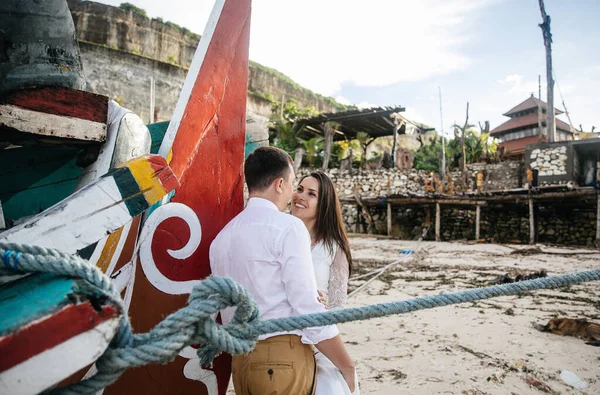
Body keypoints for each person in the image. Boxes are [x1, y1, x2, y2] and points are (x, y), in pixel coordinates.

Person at [210, 147, 356, 395]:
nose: (294, 194)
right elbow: (307, 308)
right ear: (280, 184)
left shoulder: (222, 238)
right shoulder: (288, 228)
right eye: (293, 185)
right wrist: (347, 365)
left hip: (241, 363)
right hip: (280, 359)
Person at [291, 171, 359, 395]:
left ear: (324, 205)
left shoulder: (333, 247)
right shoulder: (280, 235)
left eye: (311, 194)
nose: (301, 196)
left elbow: (339, 306)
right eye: (299, 189)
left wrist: (326, 303)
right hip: (281, 335)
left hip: (319, 338)